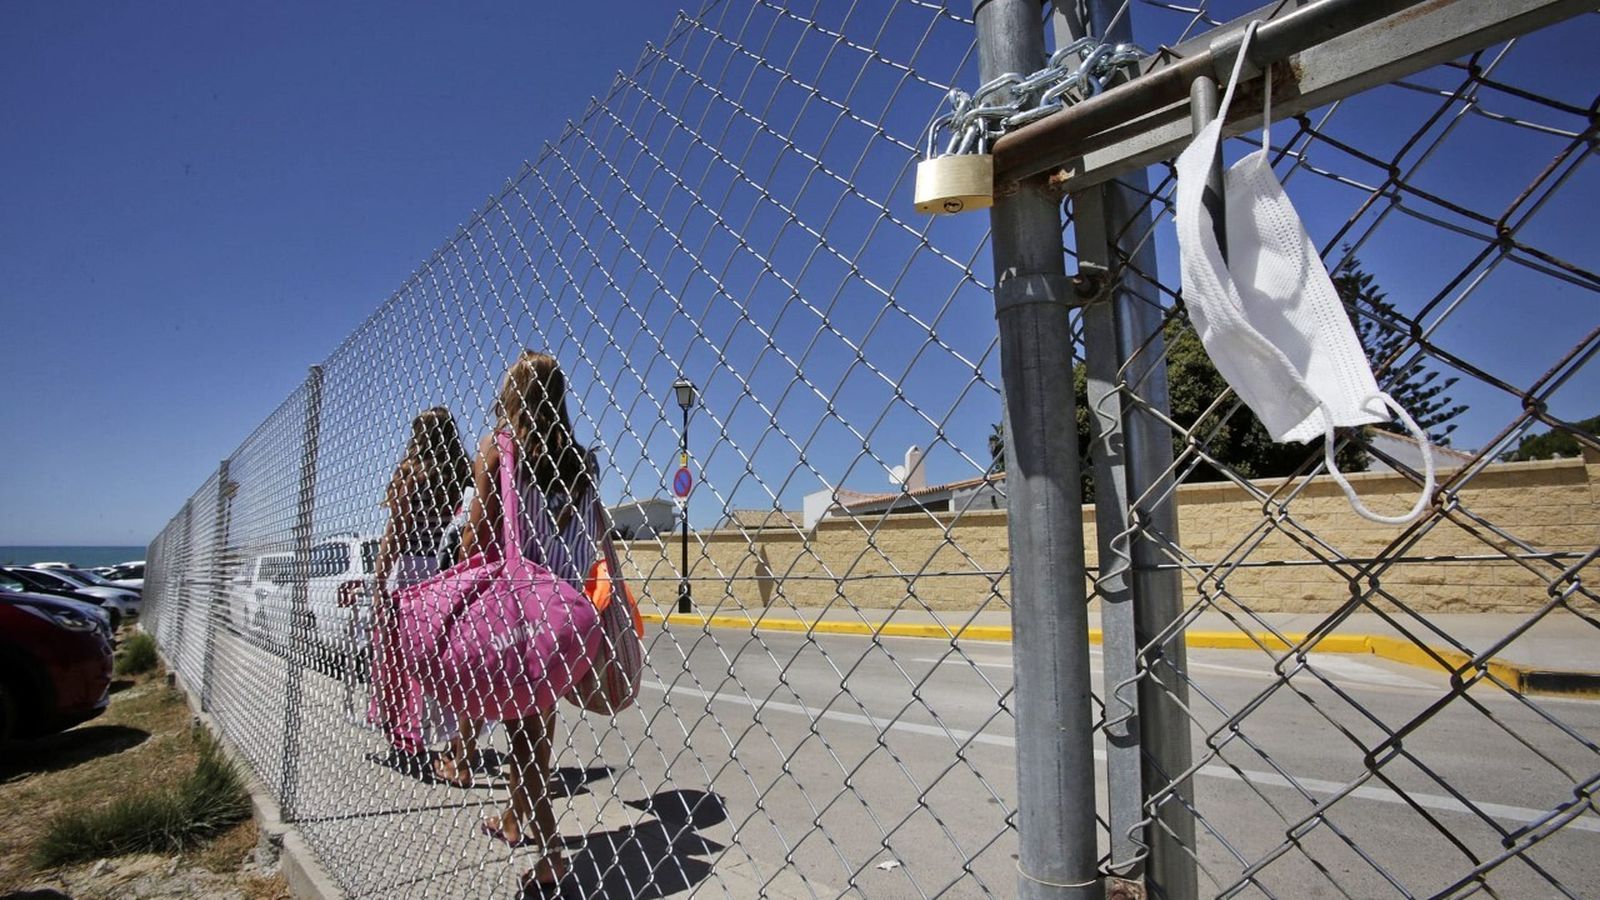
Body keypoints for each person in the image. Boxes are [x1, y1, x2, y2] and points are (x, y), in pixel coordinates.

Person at [443, 350, 603, 890]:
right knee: (537, 724)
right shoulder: (582, 465)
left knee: (521, 732)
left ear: (512, 397)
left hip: (522, 608)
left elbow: (476, 534)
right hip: (568, 611)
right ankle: (514, 818)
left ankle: (552, 849)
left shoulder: (500, 449)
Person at [369, 407, 471, 762]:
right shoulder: (464, 473)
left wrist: (379, 580)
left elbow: (396, 532)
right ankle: (456, 740)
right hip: (450, 569)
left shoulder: (411, 473)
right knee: (448, 658)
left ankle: (407, 731)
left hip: (413, 570)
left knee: (403, 659)